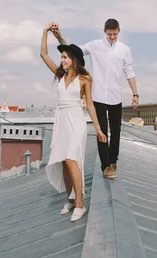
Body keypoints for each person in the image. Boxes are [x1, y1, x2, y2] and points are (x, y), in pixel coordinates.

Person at [51, 18, 138, 179]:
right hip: (97, 96)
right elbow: (73, 50)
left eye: (115, 34)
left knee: (116, 131)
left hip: (115, 96)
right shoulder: (95, 45)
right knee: (102, 131)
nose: (113, 37)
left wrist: (135, 94)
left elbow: (129, 71)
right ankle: (106, 166)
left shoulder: (124, 49)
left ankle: (113, 163)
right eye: (110, 34)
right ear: (105, 32)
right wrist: (59, 38)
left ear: (119, 31)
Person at [40, 23, 107, 222]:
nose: (61, 60)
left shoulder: (85, 79)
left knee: (72, 160)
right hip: (61, 121)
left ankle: (80, 204)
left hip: (76, 120)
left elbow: (91, 106)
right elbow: (43, 55)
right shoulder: (59, 75)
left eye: (65, 57)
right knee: (63, 162)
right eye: (61, 57)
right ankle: (70, 200)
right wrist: (45, 32)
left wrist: (98, 128)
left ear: (74, 60)